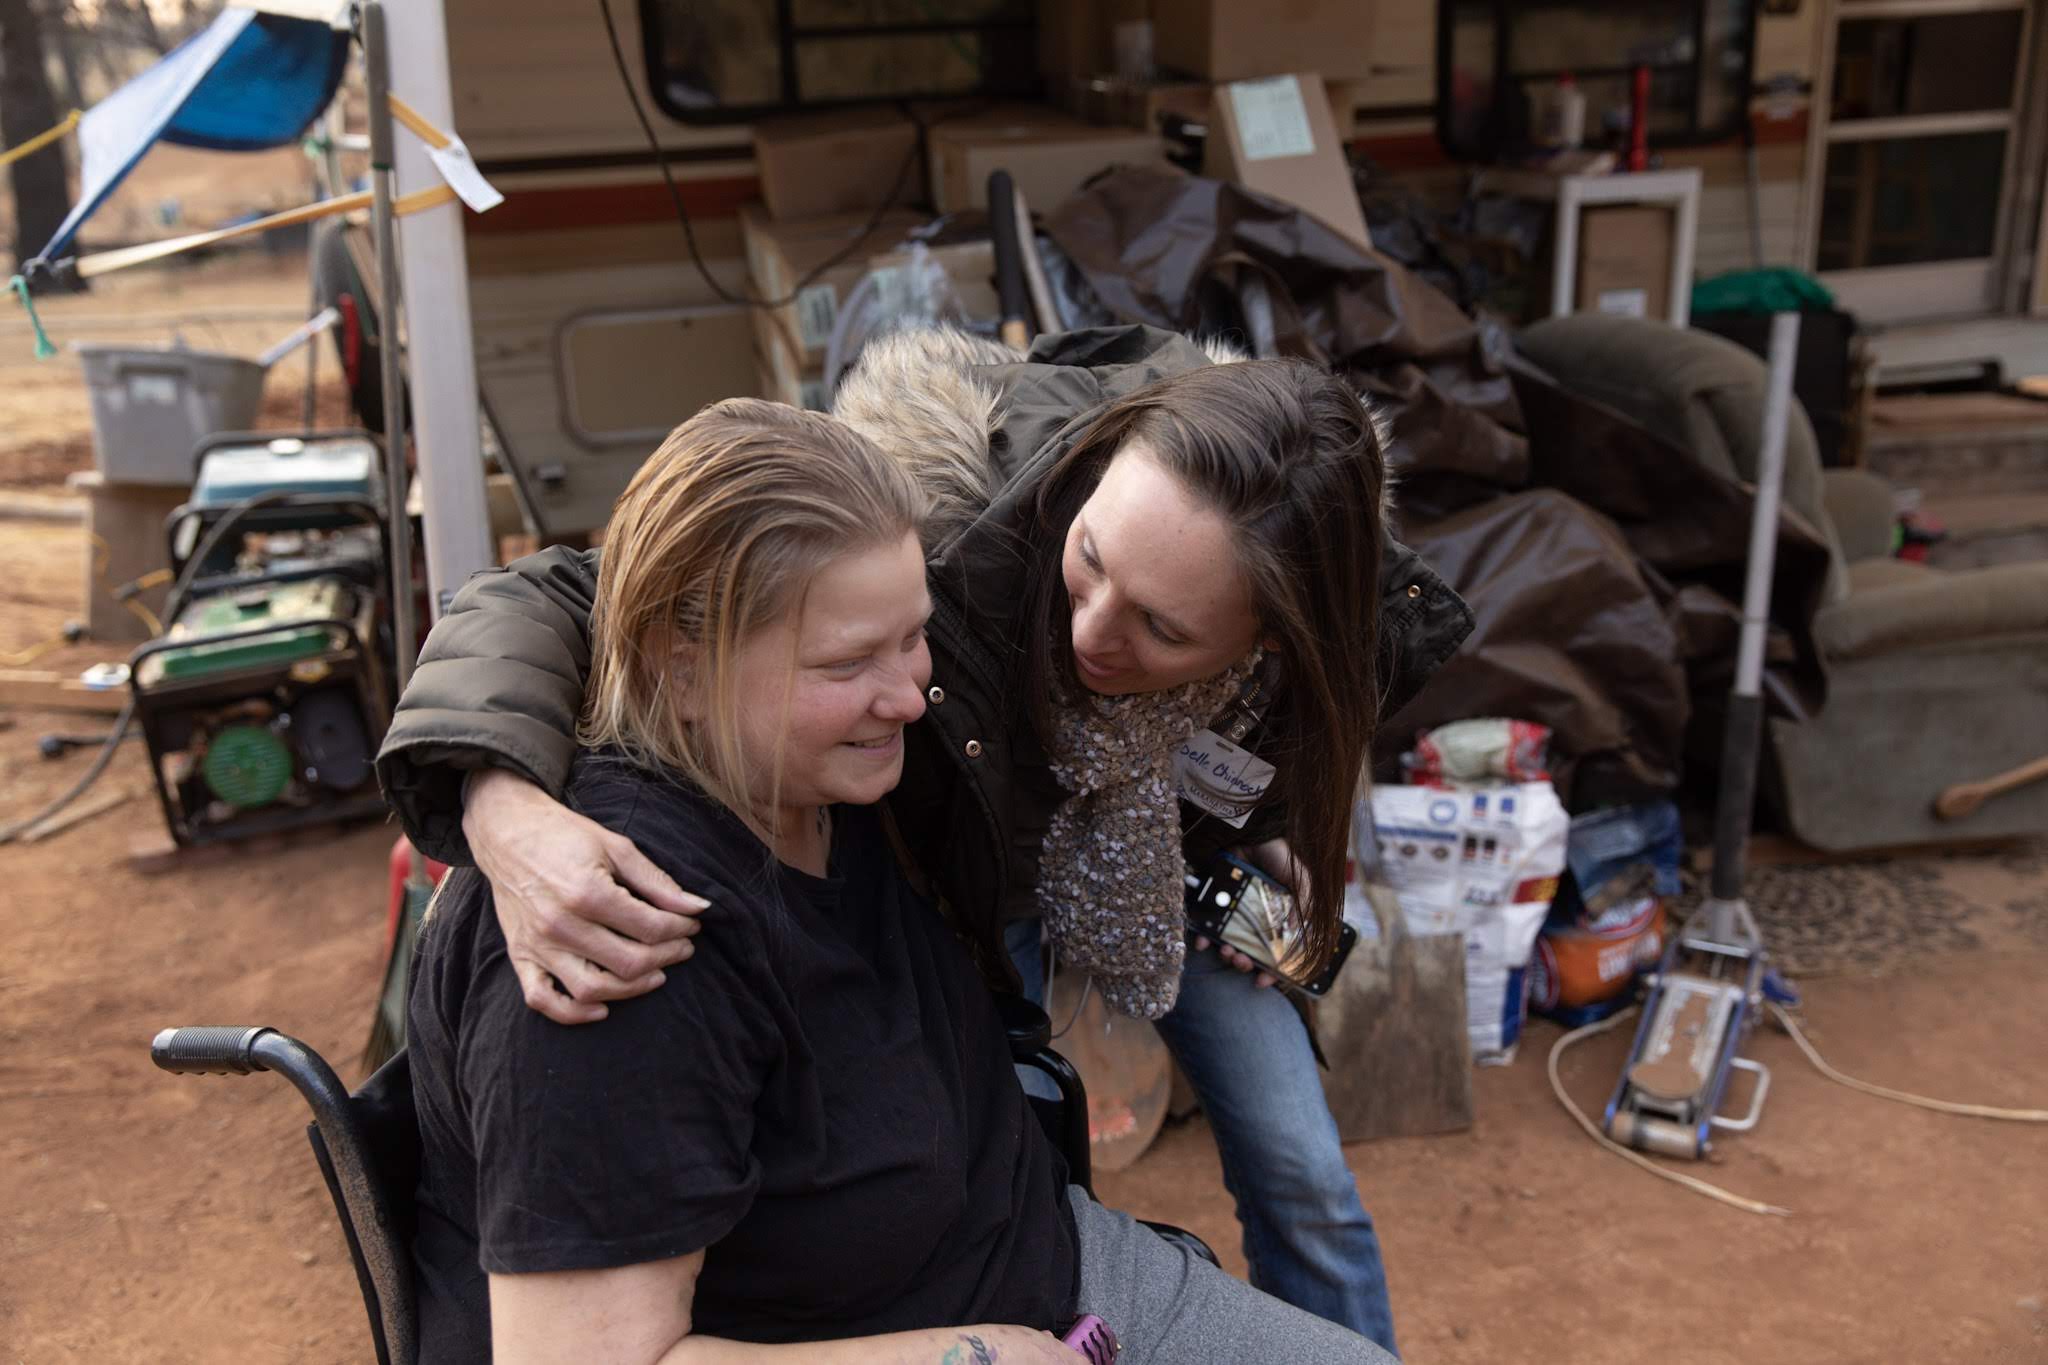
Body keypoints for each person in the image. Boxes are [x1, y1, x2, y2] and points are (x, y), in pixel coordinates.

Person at [380, 326, 1472, 1358]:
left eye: (1166, 629)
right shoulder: (951, 548)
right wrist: (496, 799)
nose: (1091, 631)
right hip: (984, 935)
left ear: (1276, 637)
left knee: (1296, 1165)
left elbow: (1246, 768)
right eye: (1089, 561)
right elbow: (591, 592)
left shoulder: (1331, 642)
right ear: (1089, 478)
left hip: (1125, 931)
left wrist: (1257, 844)